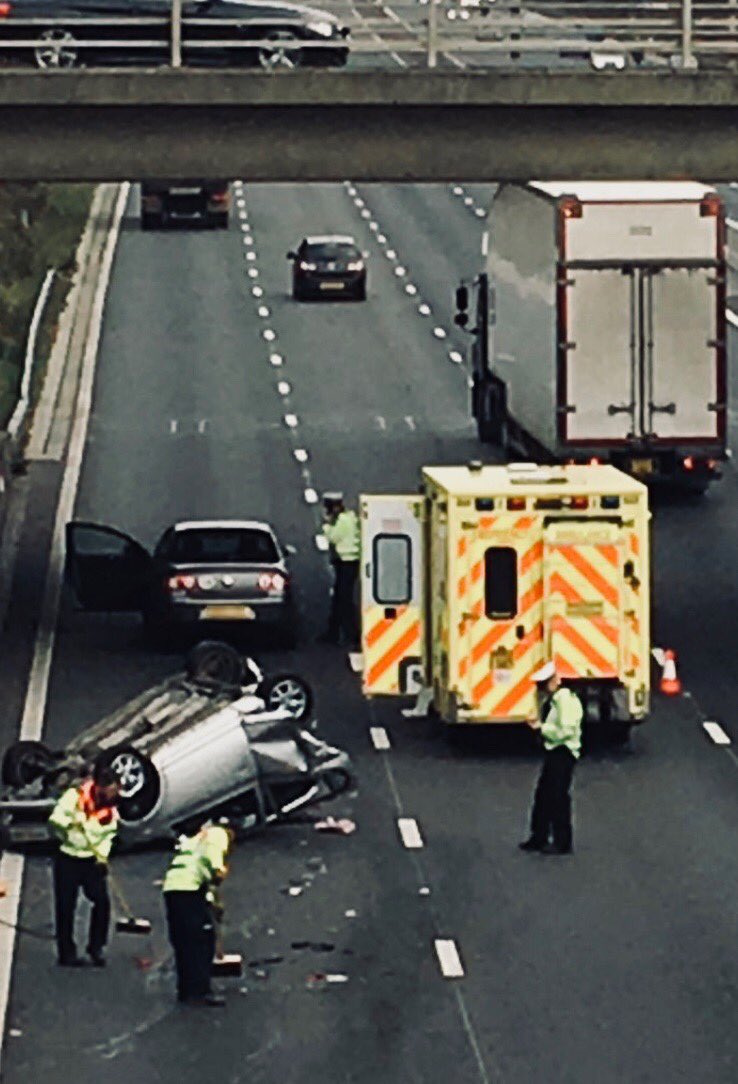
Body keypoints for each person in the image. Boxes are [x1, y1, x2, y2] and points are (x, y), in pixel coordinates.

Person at [48, 765, 120, 967]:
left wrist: (102, 857)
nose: (113, 796)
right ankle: (66, 952)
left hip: (91, 861)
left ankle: (96, 947)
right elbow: (56, 820)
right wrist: (71, 823)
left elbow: (108, 836)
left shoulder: (110, 810)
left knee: (102, 903)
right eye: (110, 791)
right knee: (65, 907)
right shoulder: (74, 797)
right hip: (68, 858)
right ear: (99, 787)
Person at [162, 820, 234, 1007]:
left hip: (172, 886)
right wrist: (219, 870)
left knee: (182, 939)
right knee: (203, 939)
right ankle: (201, 990)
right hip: (189, 888)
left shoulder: (196, 839)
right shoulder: (218, 834)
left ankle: (185, 989)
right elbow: (213, 863)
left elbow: (204, 878)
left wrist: (212, 902)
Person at [519, 661, 583, 856]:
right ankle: (539, 836)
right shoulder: (555, 700)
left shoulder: (566, 701)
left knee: (558, 797)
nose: (543, 688)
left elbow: (566, 730)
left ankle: (562, 842)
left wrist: (541, 728)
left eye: (545, 683)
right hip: (554, 750)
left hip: (564, 751)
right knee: (543, 795)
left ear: (556, 680)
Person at [319, 492, 361, 647]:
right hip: (348, 561)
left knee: (344, 599)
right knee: (339, 598)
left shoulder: (342, 521)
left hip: (347, 562)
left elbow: (333, 537)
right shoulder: (350, 517)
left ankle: (353, 635)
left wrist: (326, 526)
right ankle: (334, 632)